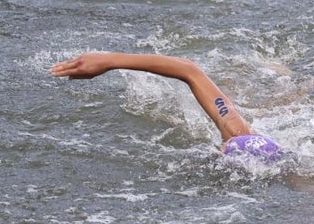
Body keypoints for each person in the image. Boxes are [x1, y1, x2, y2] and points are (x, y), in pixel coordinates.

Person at [50, 52, 287, 163]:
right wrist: (109, 61)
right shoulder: (238, 134)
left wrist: (111, 60)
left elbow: (189, 70)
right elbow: (189, 70)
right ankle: (276, 72)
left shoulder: (236, 135)